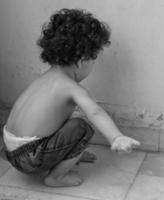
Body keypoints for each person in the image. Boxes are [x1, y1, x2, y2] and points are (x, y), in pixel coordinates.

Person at [2, 8, 141, 187]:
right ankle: (56, 177)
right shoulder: (71, 87)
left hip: (9, 150)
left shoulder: (44, 78)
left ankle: (67, 156)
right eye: (94, 59)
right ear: (83, 60)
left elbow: (46, 124)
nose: (93, 64)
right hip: (30, 158)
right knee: (81, 127)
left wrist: (72, 152)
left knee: (66, 122)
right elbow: (95, 112)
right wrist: (116, 137)